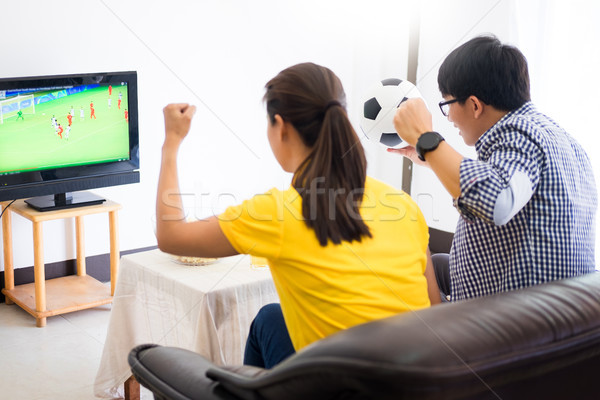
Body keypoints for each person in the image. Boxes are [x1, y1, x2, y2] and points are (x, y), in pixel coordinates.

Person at [155, 62, 440, 369]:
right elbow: (436, 313)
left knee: (265, 323)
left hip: (339, 389)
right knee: (270, 318)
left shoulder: (278, 213)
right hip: (417, 380)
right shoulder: (405, 205)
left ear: (281, 126)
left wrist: (171, 144)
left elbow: (171, 236)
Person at [391, 35, 597, 302]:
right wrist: (431, 159)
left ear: (475, 105)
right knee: (437, 262)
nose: (449, 118)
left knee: (407, 272)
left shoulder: (520, 132)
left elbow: (498, 201)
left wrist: (426, 139)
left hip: (520, 320)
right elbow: (508, 184)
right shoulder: (559, 138)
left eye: (447, 105)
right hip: (564, 308)